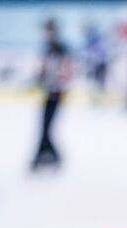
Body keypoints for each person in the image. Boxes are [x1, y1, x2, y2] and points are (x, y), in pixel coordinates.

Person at [31, 19, 73, 172]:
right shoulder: (48, 49)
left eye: (49, 30)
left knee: (47, 127)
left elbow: (66, 71)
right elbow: (44, 70)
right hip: (48, 92)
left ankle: (49, 156)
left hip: (57, 92)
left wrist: (62, 87)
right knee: (44, 126)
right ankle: (46, 155)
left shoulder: (61, 49)